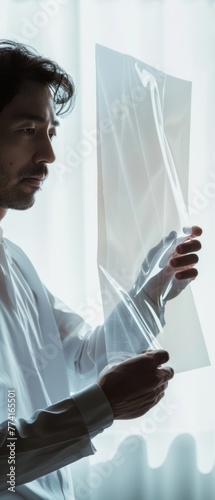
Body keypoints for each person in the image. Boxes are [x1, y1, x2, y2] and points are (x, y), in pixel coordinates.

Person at [0, 40, 202, 498]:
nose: (50, 155)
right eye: (28, 129)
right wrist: (102, 407)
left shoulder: (13, 261)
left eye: (51, 131)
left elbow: (79, 361)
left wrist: (152, 292)